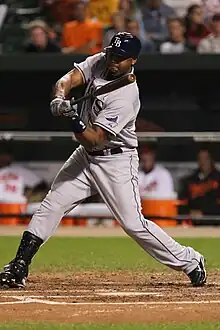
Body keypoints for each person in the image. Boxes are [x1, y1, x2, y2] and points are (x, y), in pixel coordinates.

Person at [0, 32, 206, 289]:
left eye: (120, 58)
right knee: (51, 205)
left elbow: (95, 139)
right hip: (85, 158)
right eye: (112, 54)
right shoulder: (101, 60)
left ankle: (190, 260)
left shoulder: (127, 96)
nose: (113, 61)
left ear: (132, 61)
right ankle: (19, 264)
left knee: (133, 224)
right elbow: (68, 79)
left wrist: (73, 119)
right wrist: (59, 98)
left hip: (115, 161)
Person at [179, 148, 220, 221]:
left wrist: (204, 213)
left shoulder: (218, 179)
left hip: (214, 222)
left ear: (212, 160)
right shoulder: (189, 180)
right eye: (200, 159)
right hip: (192, 222)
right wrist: (189, 212)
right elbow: (181, 203)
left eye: (206, 158)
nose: (203, 162)